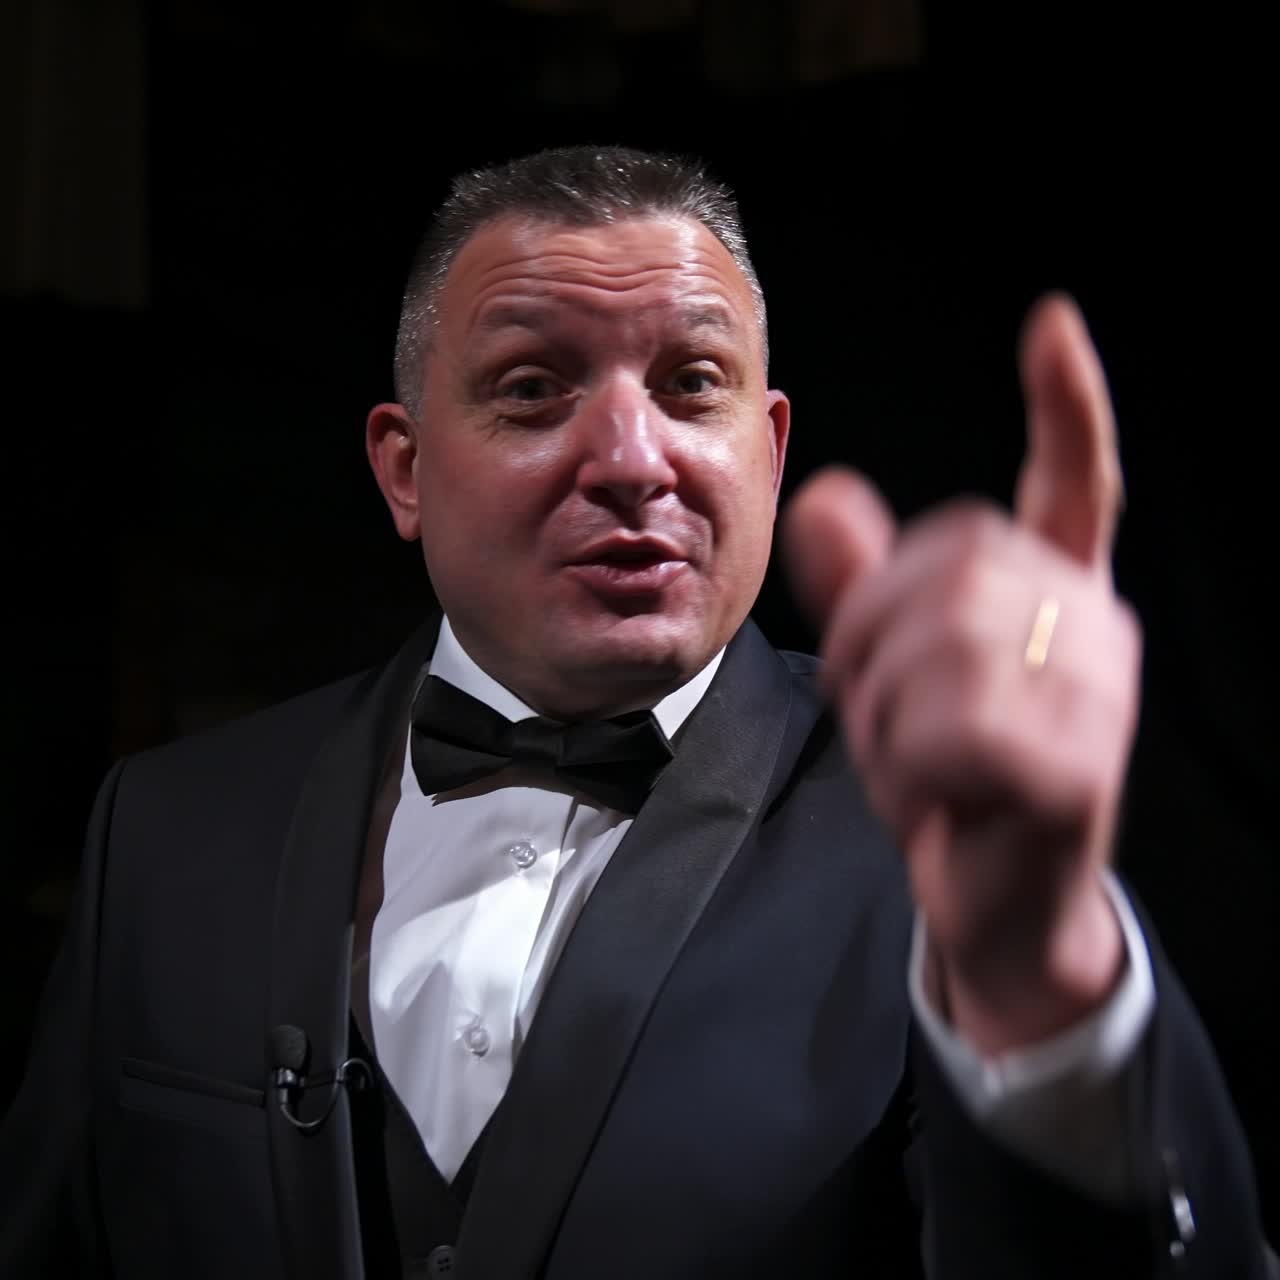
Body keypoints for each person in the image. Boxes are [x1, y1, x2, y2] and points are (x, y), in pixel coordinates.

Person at [0, 145, 1270, 1279]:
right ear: (404, 468)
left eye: (691, 381)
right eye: (531, 386)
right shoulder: (163, 831)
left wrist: (1039, 991)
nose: (627, 458)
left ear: (769, 447)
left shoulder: (936, 817)